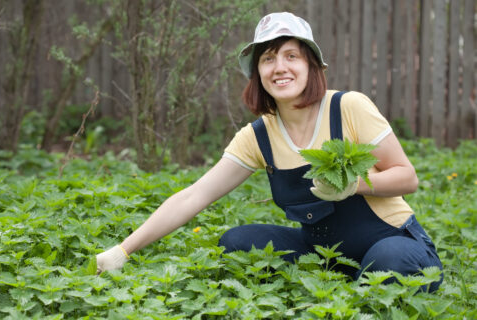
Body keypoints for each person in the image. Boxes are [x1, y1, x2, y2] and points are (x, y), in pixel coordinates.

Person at [96, 12, 443, 291]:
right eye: (268, 58)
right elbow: (194, 195)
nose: (280, 67)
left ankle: (369, 282)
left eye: (292, 55)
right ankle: (341, 285)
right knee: (236, 242)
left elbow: (407, 177)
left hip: (393, 241)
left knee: (389, 261)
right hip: (324, 258)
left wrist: (356, 185)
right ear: (257, 72)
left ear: (311, 66)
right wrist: (124, 249)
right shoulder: (258, 136)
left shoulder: (347, 107)